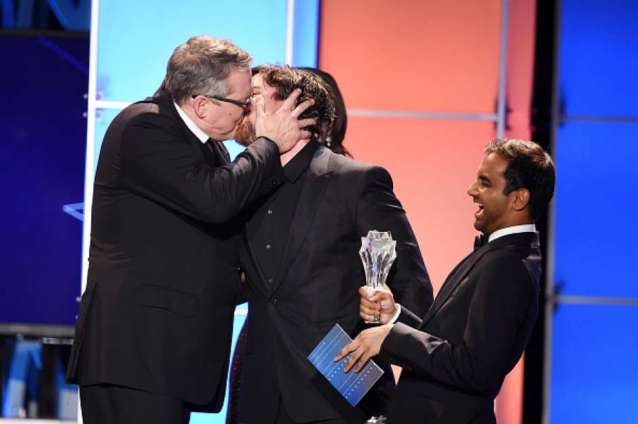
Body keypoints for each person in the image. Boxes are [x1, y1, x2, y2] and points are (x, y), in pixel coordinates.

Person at [66, 36, 315, 424]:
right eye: (244, 102)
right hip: (135, 356)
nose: (250, 111)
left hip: (168, 359)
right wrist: (268, 143)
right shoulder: (144, 127)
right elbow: (216, 201)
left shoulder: (208, 147)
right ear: (202, 104)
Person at [233, 65, 433, 424]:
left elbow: (412, 288)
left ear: (294, 108)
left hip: (338, 385)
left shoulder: (355, 181)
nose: (242, 106)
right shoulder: (243, 182)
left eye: (254, 99)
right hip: (258, 386)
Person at [336, 139, 555, 424]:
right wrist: (395, 317)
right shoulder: (501, 253)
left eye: (485, 183)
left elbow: (475, 368)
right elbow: (449, 344)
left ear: (518, 199)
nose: (471, 190)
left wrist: (390, 337)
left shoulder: (510, 265)